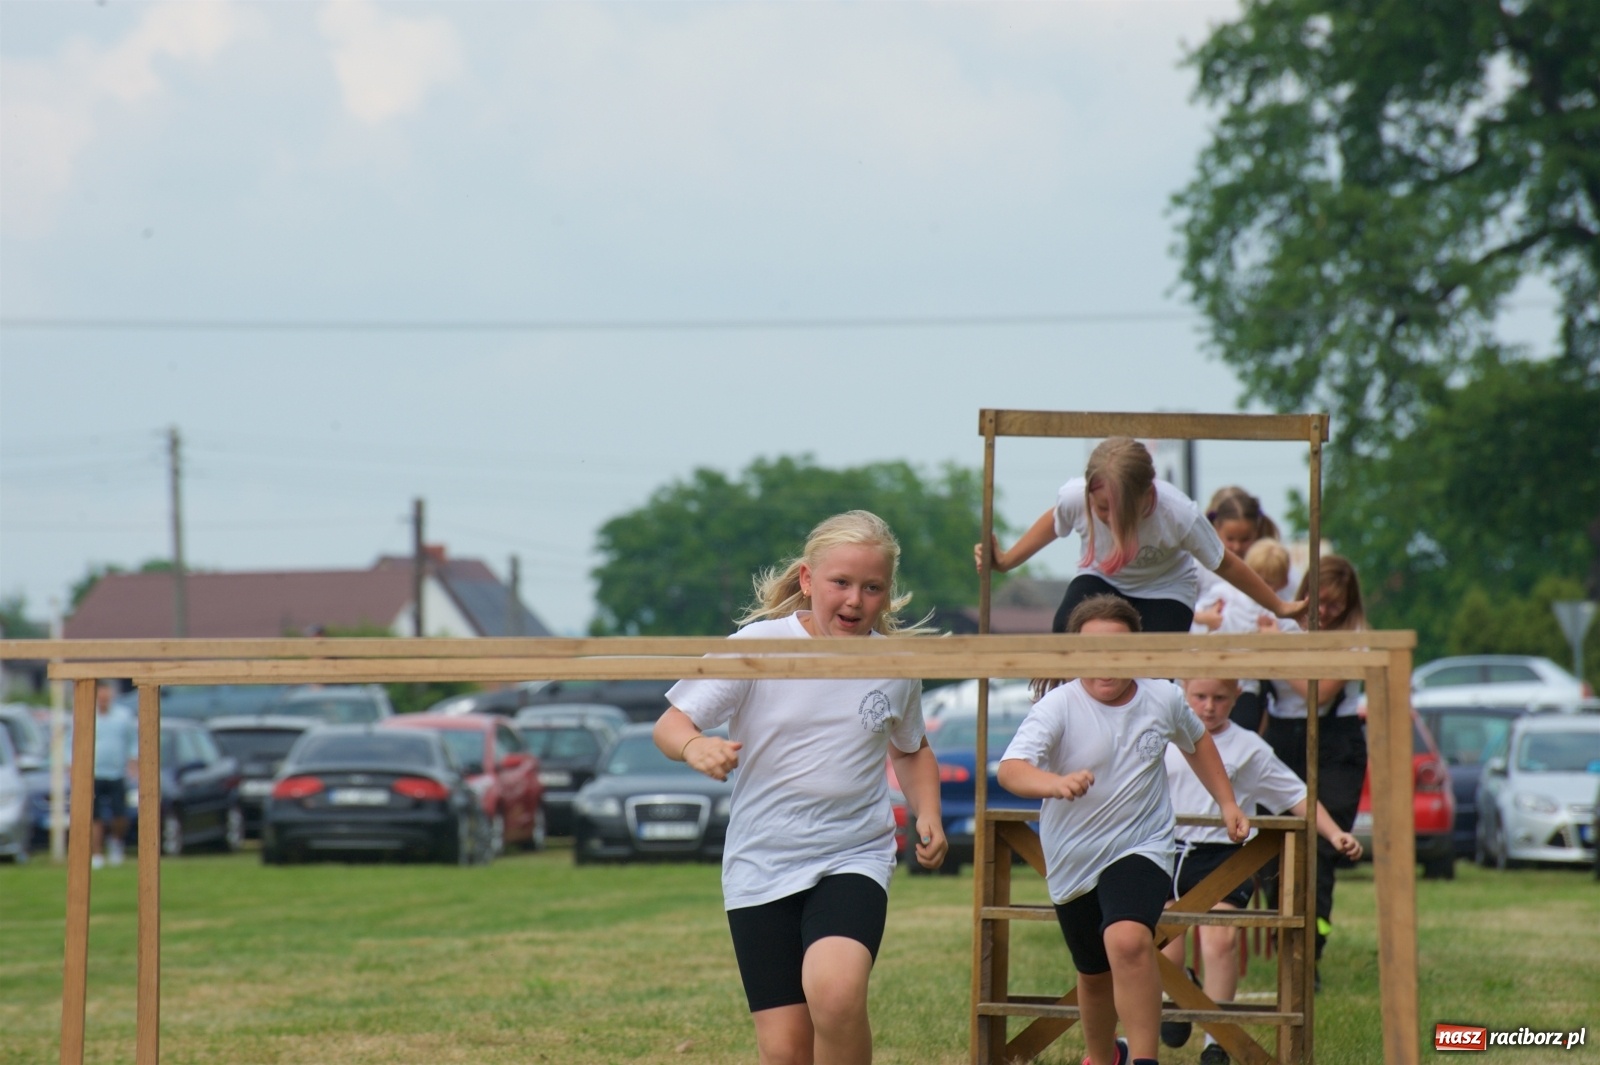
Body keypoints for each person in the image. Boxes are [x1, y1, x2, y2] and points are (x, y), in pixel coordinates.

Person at [652, 510, 947, 1065]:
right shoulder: (758, 646)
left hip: (852, 854)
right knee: (786, 1051)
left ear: (888, 593)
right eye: (840, 583)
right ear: (809, 580)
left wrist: (926, 810)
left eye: (872, 587)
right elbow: (671, 725)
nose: (855, 600)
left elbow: (911, 750)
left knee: (835, 996)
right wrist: (696, 747)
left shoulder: (895, 664)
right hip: (761, 861)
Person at [997, 596, 1249, 1065]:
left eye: (1118, 651)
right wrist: (1054, 783)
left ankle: (1143, 1059)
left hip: (1142, 845)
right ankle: (1102, 1056)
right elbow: (1011, 770)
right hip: (1073, 857)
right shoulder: (1058, 706)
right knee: (1093, 973)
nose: (1106, 664)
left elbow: (1197, 743)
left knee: (1128, 940)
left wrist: (1228, 802)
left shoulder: (1164, 697)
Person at [1159, 677, 1363, 1064]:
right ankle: (1179, 989)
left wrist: (1335, 834)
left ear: (1238, 697)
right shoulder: (1163, 734)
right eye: (1199, 697)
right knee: (1163, 948)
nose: (1209, 707)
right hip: (1166, 852)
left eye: (1220, 698)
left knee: (1220, 942)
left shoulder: (1249, 747)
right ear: (1180, 689)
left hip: (1223, 856)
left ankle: (1215, 1042)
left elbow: (1295, 794)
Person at [976, 438, 1304, 634]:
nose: (1107, 517)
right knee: (1065, 629)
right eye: (1101, 507)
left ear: (1148, 495)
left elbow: (1227, 564)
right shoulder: (1076, 497)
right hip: (1101, 577)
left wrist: (1279, 605)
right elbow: (1053, 522)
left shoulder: (1177, 514)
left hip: (1164, 589)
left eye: (1118, 510)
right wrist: (1005, 561)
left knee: (1154, 663)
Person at [1259, 554, 1368, 986]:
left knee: (1322, 849)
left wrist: (1273, 651)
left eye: (1335, 605)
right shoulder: (1280, 623)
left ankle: (1311, 952)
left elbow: (1317, 694)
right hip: (1282, 738)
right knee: (1270, 848)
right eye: (1317, 601)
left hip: (1334, 742)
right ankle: (1284, 940)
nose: (1323, 612)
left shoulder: (1353, 636)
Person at [90, 681, 138, 870]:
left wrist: (133, 763)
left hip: (117, 773)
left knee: (120, 814)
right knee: (95, 816)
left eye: (106, 696)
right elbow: (73, 740)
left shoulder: (123, 716)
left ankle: (116, 844)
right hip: (93, 773)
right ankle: (97, 853)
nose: (103, 700)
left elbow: (133, 741)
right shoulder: (88, 715)